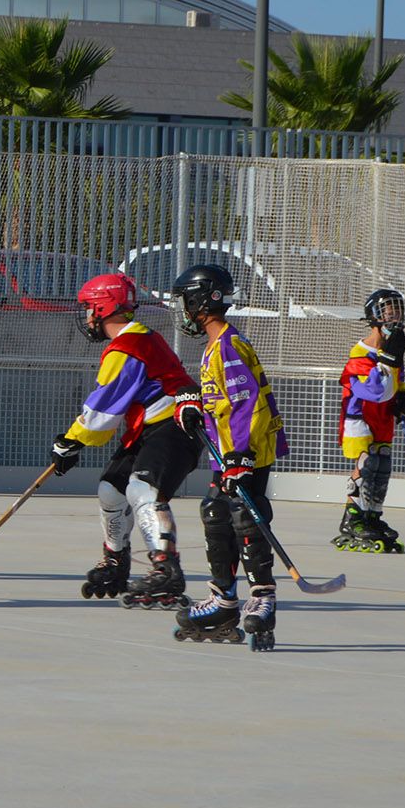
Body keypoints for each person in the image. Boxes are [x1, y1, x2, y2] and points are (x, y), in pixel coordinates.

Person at [50, 272, 203, 609]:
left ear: (103, 308)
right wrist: (75, 441)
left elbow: (102, 411)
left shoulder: (128, 348)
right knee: (111, 490)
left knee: (141, 489)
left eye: (90, 308)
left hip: (173, 429)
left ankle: (166, 567)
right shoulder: (137, 340)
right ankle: (116, 561)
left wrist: (68, 442)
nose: (88, 316)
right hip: (148, 431)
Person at [168, 264, 288, 650]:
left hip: (247, 450)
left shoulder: (229, 346)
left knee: (245, 516)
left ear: (203, 301)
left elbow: (245, 403)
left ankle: (263, 597)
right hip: (228, 452)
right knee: (215, 511)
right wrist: (193, 405)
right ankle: (223, 600)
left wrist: (239, 456)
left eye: (186, 301)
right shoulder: (215, 346)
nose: (182, 310)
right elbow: (219, 402)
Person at [333, 288, 405, 554]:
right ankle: (352, 518)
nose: (395, 316)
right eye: (389, 311)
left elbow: (396, 382)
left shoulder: (394, 349)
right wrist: (388, 360)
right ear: (375, 317)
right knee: (366, 464)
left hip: (382, 418)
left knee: (382, 464)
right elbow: (373, 391)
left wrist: (403, 400)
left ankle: (372, 516)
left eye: (398, 310)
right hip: (360, 417)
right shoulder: (360, 354)